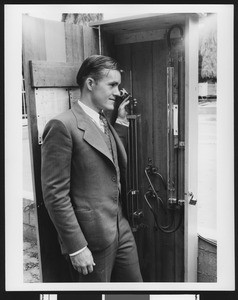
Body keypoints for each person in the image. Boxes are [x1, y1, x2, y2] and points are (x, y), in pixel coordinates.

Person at [41, 55, 143, 282]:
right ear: (90, 84)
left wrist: (122, 122)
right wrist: (76, 247)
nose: (118, 92)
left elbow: (107, 156)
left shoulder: (103, 119)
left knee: (135, 291)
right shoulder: (62, 126)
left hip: (120, 227)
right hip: (91, 239)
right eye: (112, 85)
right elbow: (55, 195)